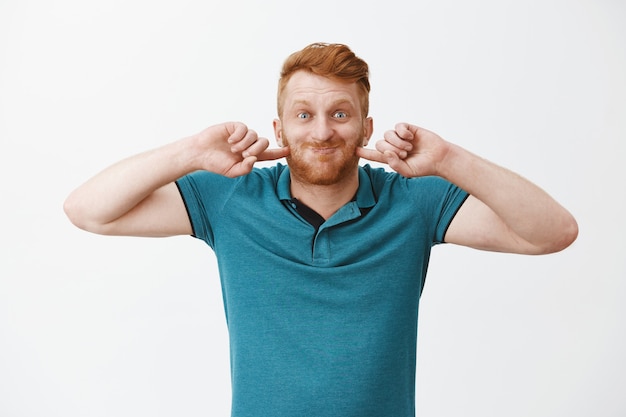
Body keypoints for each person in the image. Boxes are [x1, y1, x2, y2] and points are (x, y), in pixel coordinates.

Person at [64, 42, 578, 417]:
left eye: (340, 113)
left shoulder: (413, 201)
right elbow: (89, 210)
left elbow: (551, 233)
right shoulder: (231, 198)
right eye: (304, 114)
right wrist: (190, 152)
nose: (323, 131)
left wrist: (448, 158)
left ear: (366, 128)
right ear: (279, 129)